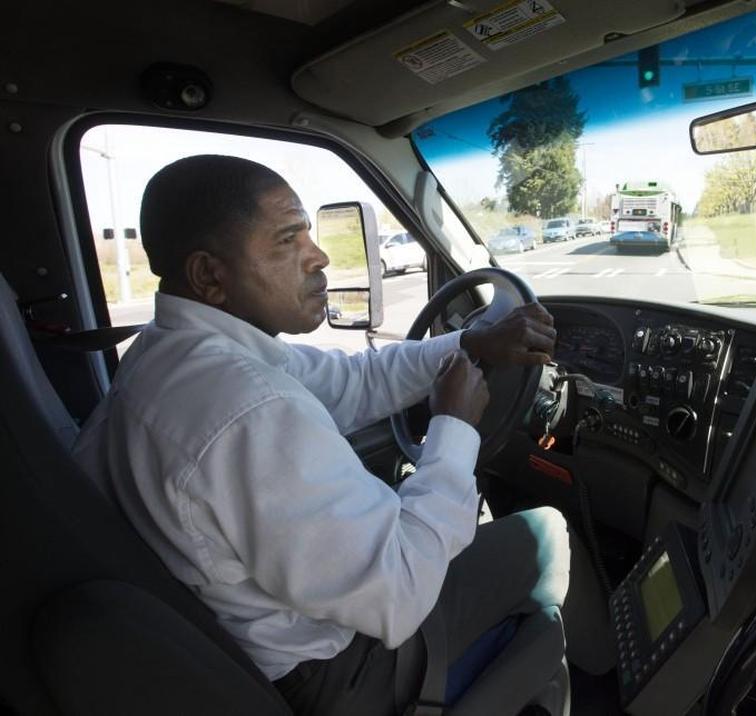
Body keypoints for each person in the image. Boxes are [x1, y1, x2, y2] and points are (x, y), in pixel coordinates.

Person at [73, 155, 571, 715]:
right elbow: (400, 591)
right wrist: (453, 427)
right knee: (544, 532)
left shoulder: (173, 355)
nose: (321, 256)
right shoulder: (248, 411)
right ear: (210, 275)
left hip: (249, 649)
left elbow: (352, 381)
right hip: (336, 678)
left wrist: (471, 346)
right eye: (288, 240)